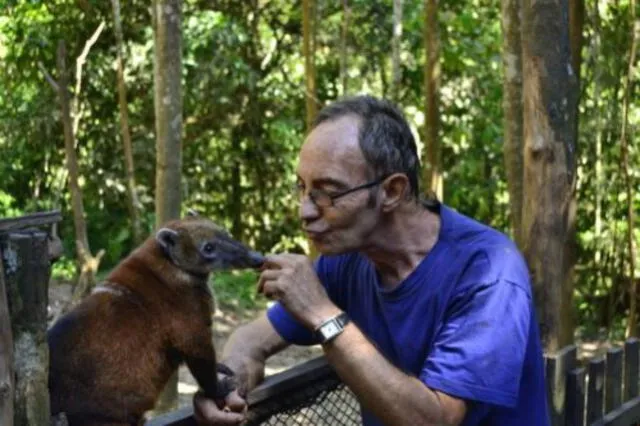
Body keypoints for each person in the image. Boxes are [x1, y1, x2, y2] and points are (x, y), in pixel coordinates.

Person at [194, 95, 550, 425]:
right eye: (301, 187)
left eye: (328, 193)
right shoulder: (346, 258)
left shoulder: (488, 272)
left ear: (392, 191)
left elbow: (434, 420)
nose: (304, 211)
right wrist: (224, 385)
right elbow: (250, 341)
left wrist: (323, 316)